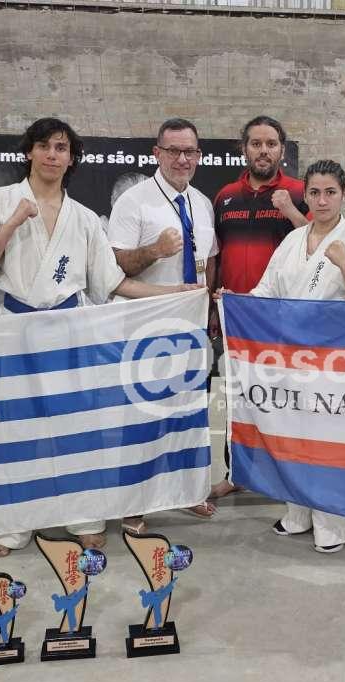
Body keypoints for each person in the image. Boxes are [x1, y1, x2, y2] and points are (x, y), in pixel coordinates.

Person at [0, 117, 200, 556]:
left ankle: (83, 516)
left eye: (61, 148)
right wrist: (12, 223)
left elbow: (114, 283)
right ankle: (16, 523)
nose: (52, 155)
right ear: (29, 152)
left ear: (71, 159)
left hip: (69, 329)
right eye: (44, 146)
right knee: (18, 428)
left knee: (77, 425)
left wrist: (175, 293)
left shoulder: (84, 218)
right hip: (16, 329)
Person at [244, 159, 345, 553]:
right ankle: (298, 513)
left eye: (330, 192)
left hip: (335, 358)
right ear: (304, 196)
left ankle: (333, 523)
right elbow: (266, 292)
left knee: (329, 442)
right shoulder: (293, 240)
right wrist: (236, 302)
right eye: (314, 193)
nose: (322, 200)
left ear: (344, 194)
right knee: (292, 436)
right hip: (290, 356)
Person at [106, 118, 220, 531]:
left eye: (190, 151)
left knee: (189, 413)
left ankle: (189, 491)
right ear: (157, 153)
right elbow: (114, 265)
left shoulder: (202, 203)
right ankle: (134, 503)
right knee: (143, 417)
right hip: (145, 327)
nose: (182, 159)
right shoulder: (133, 202)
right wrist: (154, 250)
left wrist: (208, 306)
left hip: (190, 326)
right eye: (173, 151)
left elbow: (209, 261)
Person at [208, 115, 309, 502]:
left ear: (282, 149)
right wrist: (214, 307)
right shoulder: (225, 196)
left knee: (285, 400)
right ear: (244, 148)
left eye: (271, 144)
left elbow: (315, 244)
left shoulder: (299, 192)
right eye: (256, 143)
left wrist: (290, 211)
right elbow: (217, 256)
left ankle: (288, 478)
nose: (263, 151)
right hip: (236, 319)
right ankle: (236, 472)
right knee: (237, 401)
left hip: (281, 319)